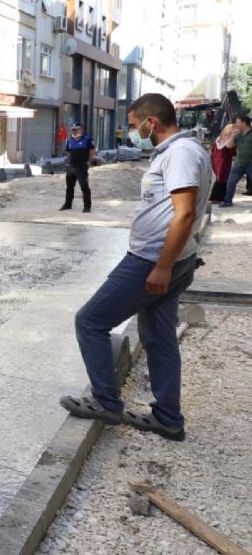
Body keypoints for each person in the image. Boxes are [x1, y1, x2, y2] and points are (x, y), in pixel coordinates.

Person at [60, 93, 211, 442]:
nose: (133, 132)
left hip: (152, 261)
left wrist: (162, 266)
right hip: (170, 258)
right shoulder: (183, 152)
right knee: (159, 338)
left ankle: (106, 402)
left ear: (151, 122)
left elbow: (185, 212)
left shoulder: (181, 154)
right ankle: (168, 418)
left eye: (133, 125)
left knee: (90, 321)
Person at [60, 123, 96, 213]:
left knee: (84, 187)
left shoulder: (87, 139)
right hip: (71, 167)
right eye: (73, 129)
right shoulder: (69, 140)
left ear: (80, 129)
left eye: (76, 129)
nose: (75, 131)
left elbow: (91, 151)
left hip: (82, 167)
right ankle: (68, 204)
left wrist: (87, 160)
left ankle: (87, 207)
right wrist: (69, 163)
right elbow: (68, 152)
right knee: (69, 187)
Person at [219, 115, 252, 208]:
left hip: (250, 163)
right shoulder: (239, 135)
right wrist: (233, 135)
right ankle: (227, 201)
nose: (236, 124)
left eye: (238, 122)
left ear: (244, 123)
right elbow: (229, 145)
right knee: (231, 182)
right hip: (239, 163)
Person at [209, 123, 237, 203]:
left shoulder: (218, 139)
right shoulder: (229, 140)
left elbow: (213, 151)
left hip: (216, 161)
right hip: (224, 162)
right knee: (223, 180)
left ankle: (216, 197)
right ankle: (218, 198)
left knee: (219, 179)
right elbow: (233, 152)